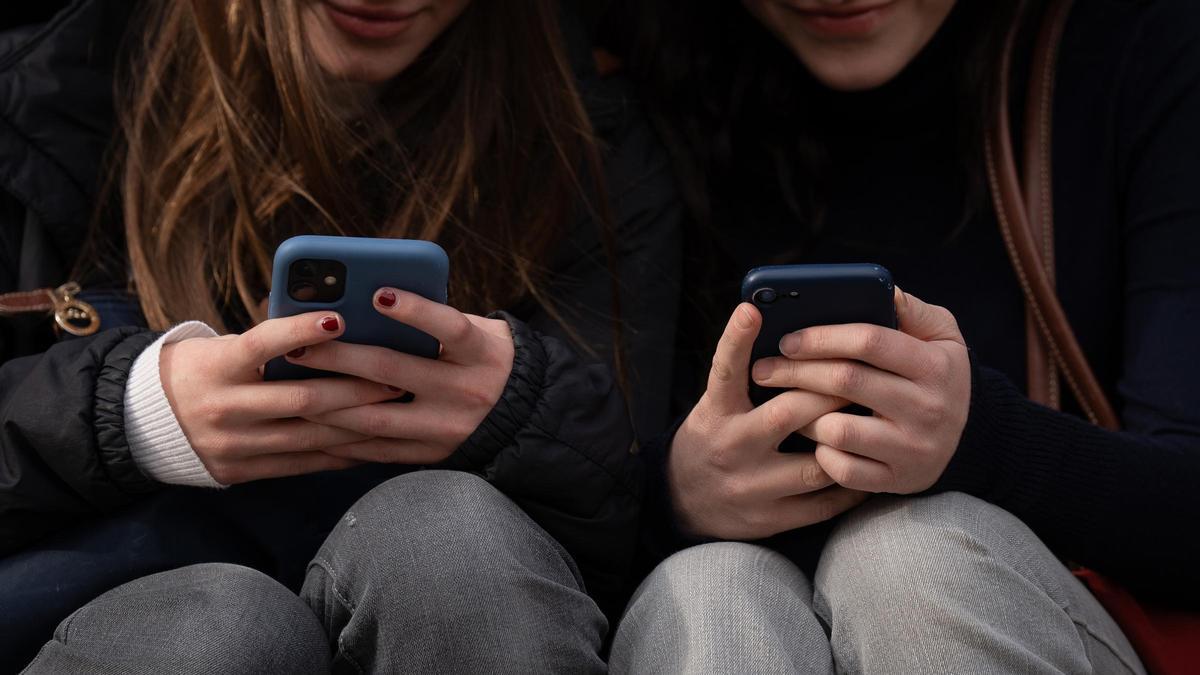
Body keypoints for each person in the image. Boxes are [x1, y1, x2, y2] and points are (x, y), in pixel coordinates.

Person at [1, 0, 680, 671]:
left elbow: (631, 534)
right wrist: (132, 409)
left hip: (447, 599)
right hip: (108, 615)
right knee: (222, 624)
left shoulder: (590, 141)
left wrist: (528, 410)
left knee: (453, 541)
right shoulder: (51, 88)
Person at [593, 0, 1200, 672]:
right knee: (713, 588)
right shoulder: (623, 73)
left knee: (913, 560)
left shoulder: (1139, 44)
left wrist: (979, 437)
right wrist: (677, 494)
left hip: (1021, 616)